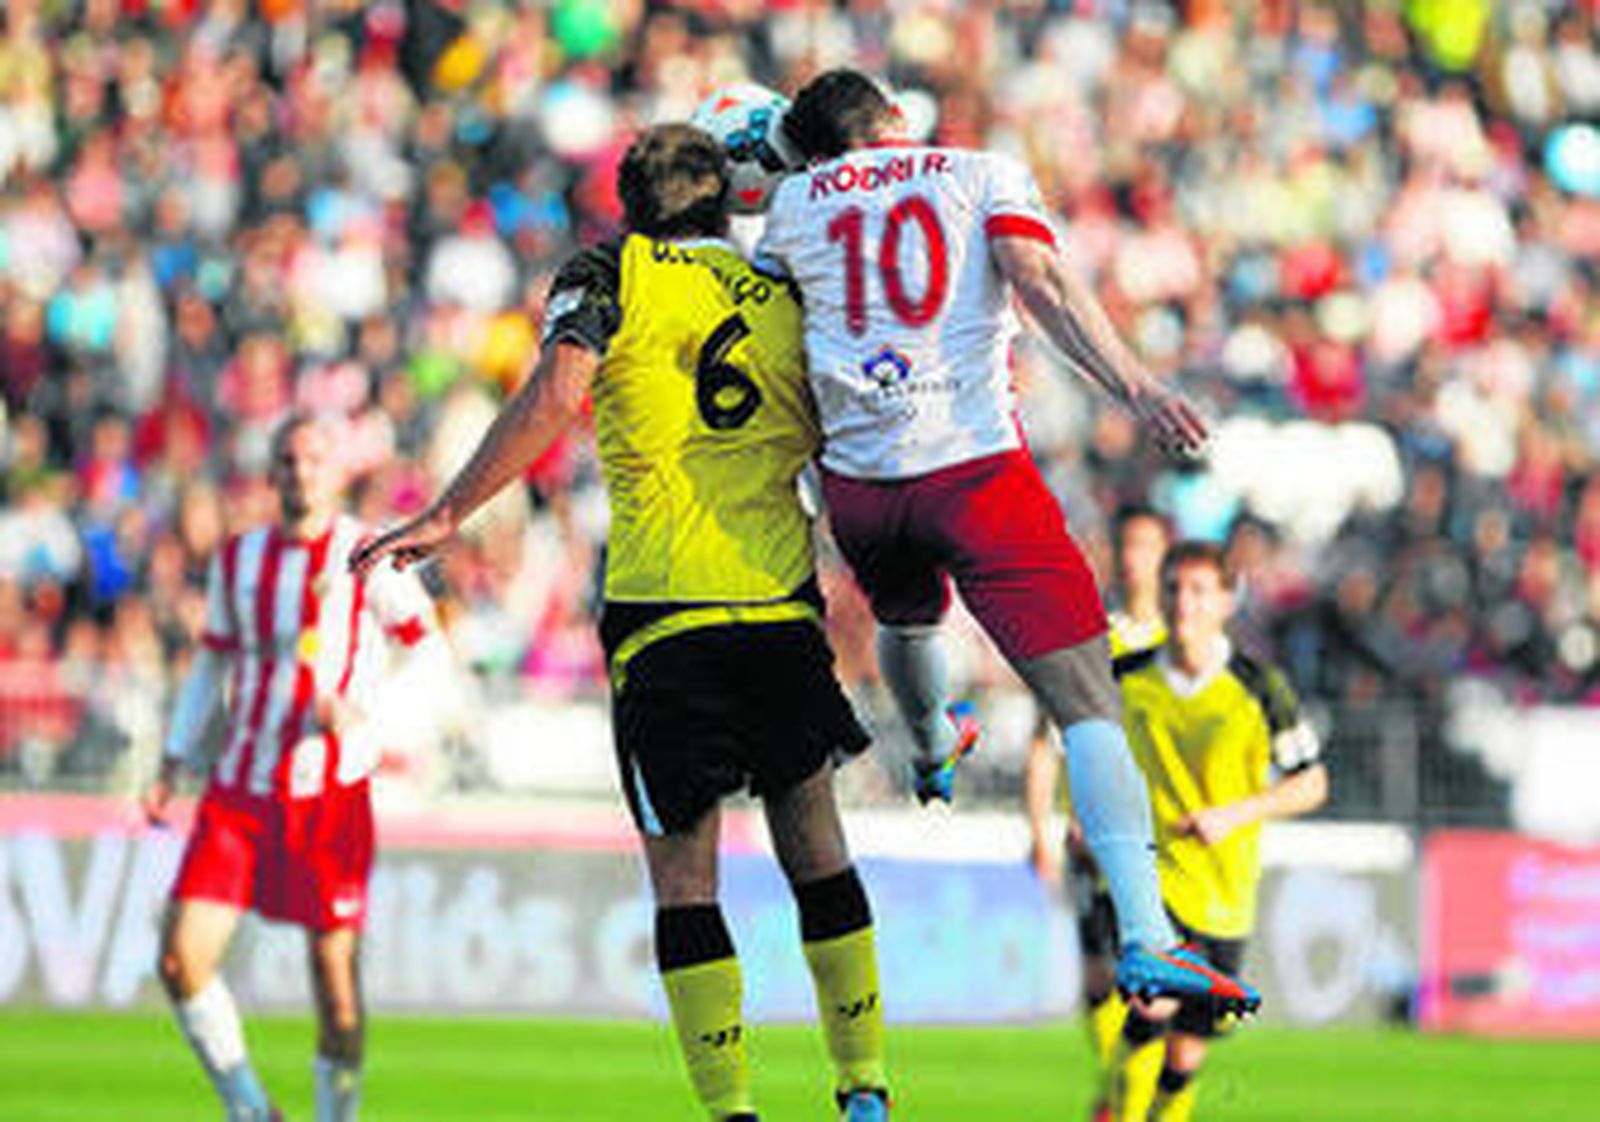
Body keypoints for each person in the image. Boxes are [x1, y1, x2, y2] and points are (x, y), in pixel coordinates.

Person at [350, 124, 892, 1122]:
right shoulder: (780, 291)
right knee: (816, 847)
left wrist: (447, 513)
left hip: (664, 621)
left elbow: (561, 390)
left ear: (627, 205)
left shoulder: (612, 272)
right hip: (776, 607)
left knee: (687, 878)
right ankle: (862, 1086)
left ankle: (730, 1107)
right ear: (722, 201)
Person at [755, 68, 1255, 1012]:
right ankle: (1147, 935)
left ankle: (931, 742)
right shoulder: (981, 172)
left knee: (908, 616)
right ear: (898, 122)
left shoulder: (789, 209)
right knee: (1087, 701)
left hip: (862, 489)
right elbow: (1041, 282)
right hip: (976, 472)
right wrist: (1139, 387)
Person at [144, 413, 448, 1122]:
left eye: (314, 459)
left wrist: (369, 720)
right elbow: (212, 660)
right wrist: (172, 756)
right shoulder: (238, 559)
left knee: (335, 987)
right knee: (179, 960)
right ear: (272, 470)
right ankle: (252, 1111)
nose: (300, 471)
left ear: (336, 471)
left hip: (330, 794)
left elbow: (430, 650)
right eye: (287, 458)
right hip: (240, 789)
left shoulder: (367, 553)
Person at [1103, 541, 1328, 1122]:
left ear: (1228, 600)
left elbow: (1311, 783)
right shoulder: (1125, 677)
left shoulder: (1259, 688)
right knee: (1151, 1007)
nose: (1183, 602)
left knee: (1185, 1055)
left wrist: (1235, 814)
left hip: (1226, 891)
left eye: (1200, 590)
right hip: (1150, 879)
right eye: (1174, 587)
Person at [1024, 504, 1172, 1122]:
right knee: (1097, 982)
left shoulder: (1186, 644)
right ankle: (1121, 1098)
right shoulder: (1096, 639)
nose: (1136, 557)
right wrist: (1040, 829)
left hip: (1168, 843)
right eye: (1127, 544)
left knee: (1156, 990)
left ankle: (1124, 1105)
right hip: (1093, 839)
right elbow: (1045, 741)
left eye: (1147, 545)